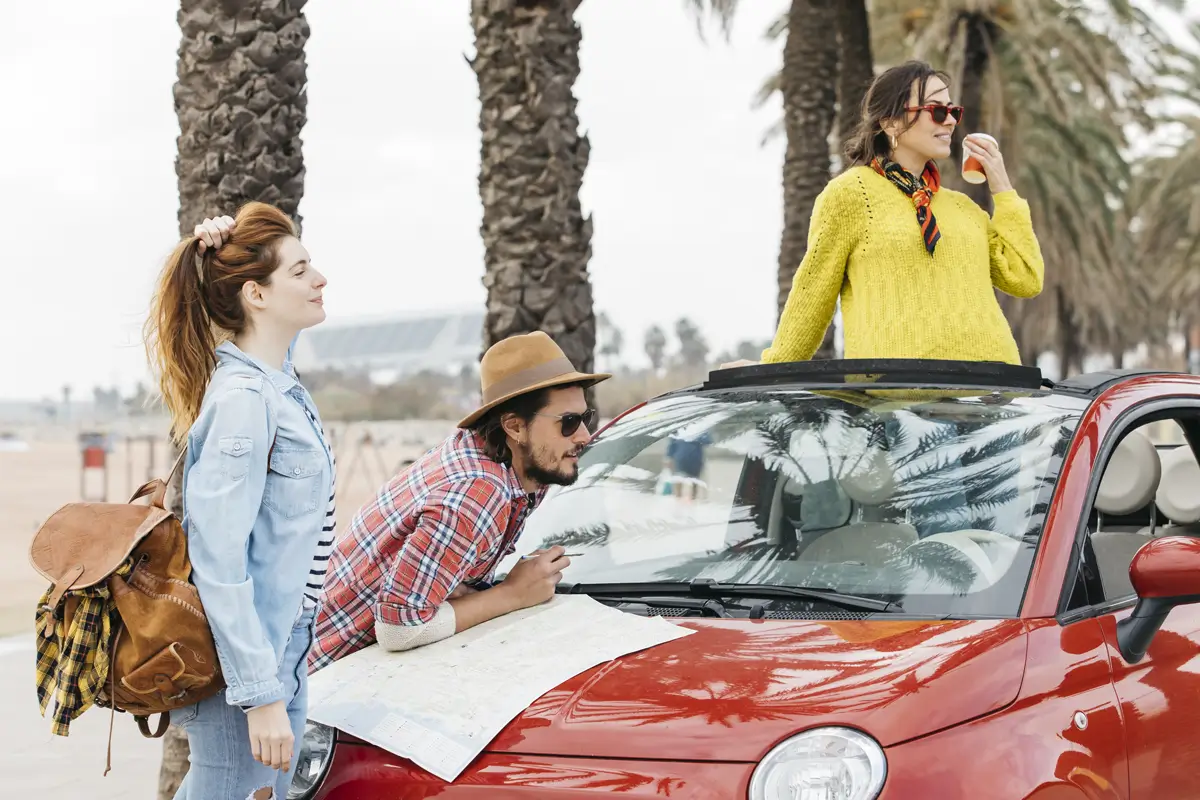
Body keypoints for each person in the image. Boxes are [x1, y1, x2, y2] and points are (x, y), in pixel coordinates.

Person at [144, 204, 335, 800]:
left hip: (281, 647)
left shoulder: (277, 387)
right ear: (256, 294)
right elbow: (218, 558)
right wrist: (260, 693)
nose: (320, 279)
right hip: (248, 664)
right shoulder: (245, 400)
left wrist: (216, 251)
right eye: (300, 270)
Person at [308, 331, 609, 671]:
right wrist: (514, 593)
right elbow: (398, 629)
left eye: (586, 418)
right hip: (320, 686)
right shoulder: (477, 492)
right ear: (514, 427)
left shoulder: (517, 467)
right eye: (568, 423)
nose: (584, 436)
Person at [745, 60, 1044, 367]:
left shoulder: (964, 209)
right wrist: (773, 370)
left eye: (953, 111)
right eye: (937, 111)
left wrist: (1003, 191)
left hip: (988, 396)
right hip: (895, 400)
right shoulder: (851, 194)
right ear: (891, 123)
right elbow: (812, 296)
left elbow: (1026, 278)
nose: (951, 121)